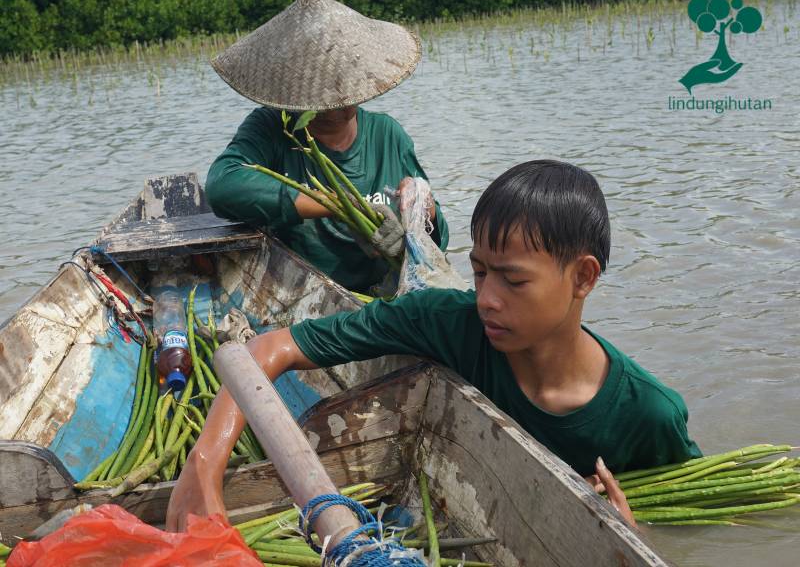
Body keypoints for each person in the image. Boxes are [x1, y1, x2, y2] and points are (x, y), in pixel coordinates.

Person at [167, 159, 701, 531]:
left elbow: (704, 520)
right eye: (478, 272)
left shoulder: (648, 414)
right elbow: (267, 349)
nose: (487, 299)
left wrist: (634, 538)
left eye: (513, 282)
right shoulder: (448, 321)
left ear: (583, 277)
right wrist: (205, 464)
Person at [204, 0, 449, 292]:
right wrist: (331, 204)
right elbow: (222, 185)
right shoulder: (273, 128)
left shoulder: (387, 135)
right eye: (325, 95)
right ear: (294, 94)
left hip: (383, 295)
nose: (343, 102)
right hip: (306, 294)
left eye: (347, 86)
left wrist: (419, 211)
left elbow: (439, 240)